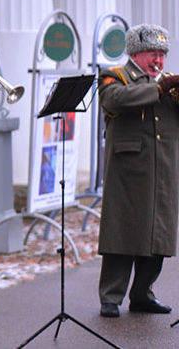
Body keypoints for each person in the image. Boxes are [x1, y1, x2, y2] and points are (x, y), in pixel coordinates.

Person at [97, 23, 179, 318]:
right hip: (128, 170)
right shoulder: (115, 76)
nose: (158, 61)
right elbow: (114, 101)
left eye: (162, 55)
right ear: (135, 53)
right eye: (152, 55)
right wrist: (159, 88)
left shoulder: (169, 82)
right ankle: (111, 296)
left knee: (158, 235)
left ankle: (143, 293)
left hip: (164, 169)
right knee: (123, 232)